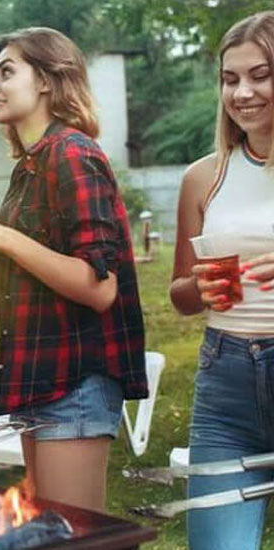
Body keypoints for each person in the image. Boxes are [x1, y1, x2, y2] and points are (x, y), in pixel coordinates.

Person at [0, 27, 147, 512]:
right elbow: (43, 263)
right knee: (49, 531)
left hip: (76, 382)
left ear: (47, 80)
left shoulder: (73, 154)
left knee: (73, 539)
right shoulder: (32, 163)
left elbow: (98, 286)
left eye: (7, 72)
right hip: (42, 379)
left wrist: (1, 236)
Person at [168, 11, 274, 550]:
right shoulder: (203, 176)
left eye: (260, 74)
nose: (243, 92)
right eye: (231, 79)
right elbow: (180, 294)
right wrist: (200, 289)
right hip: (225, 383)